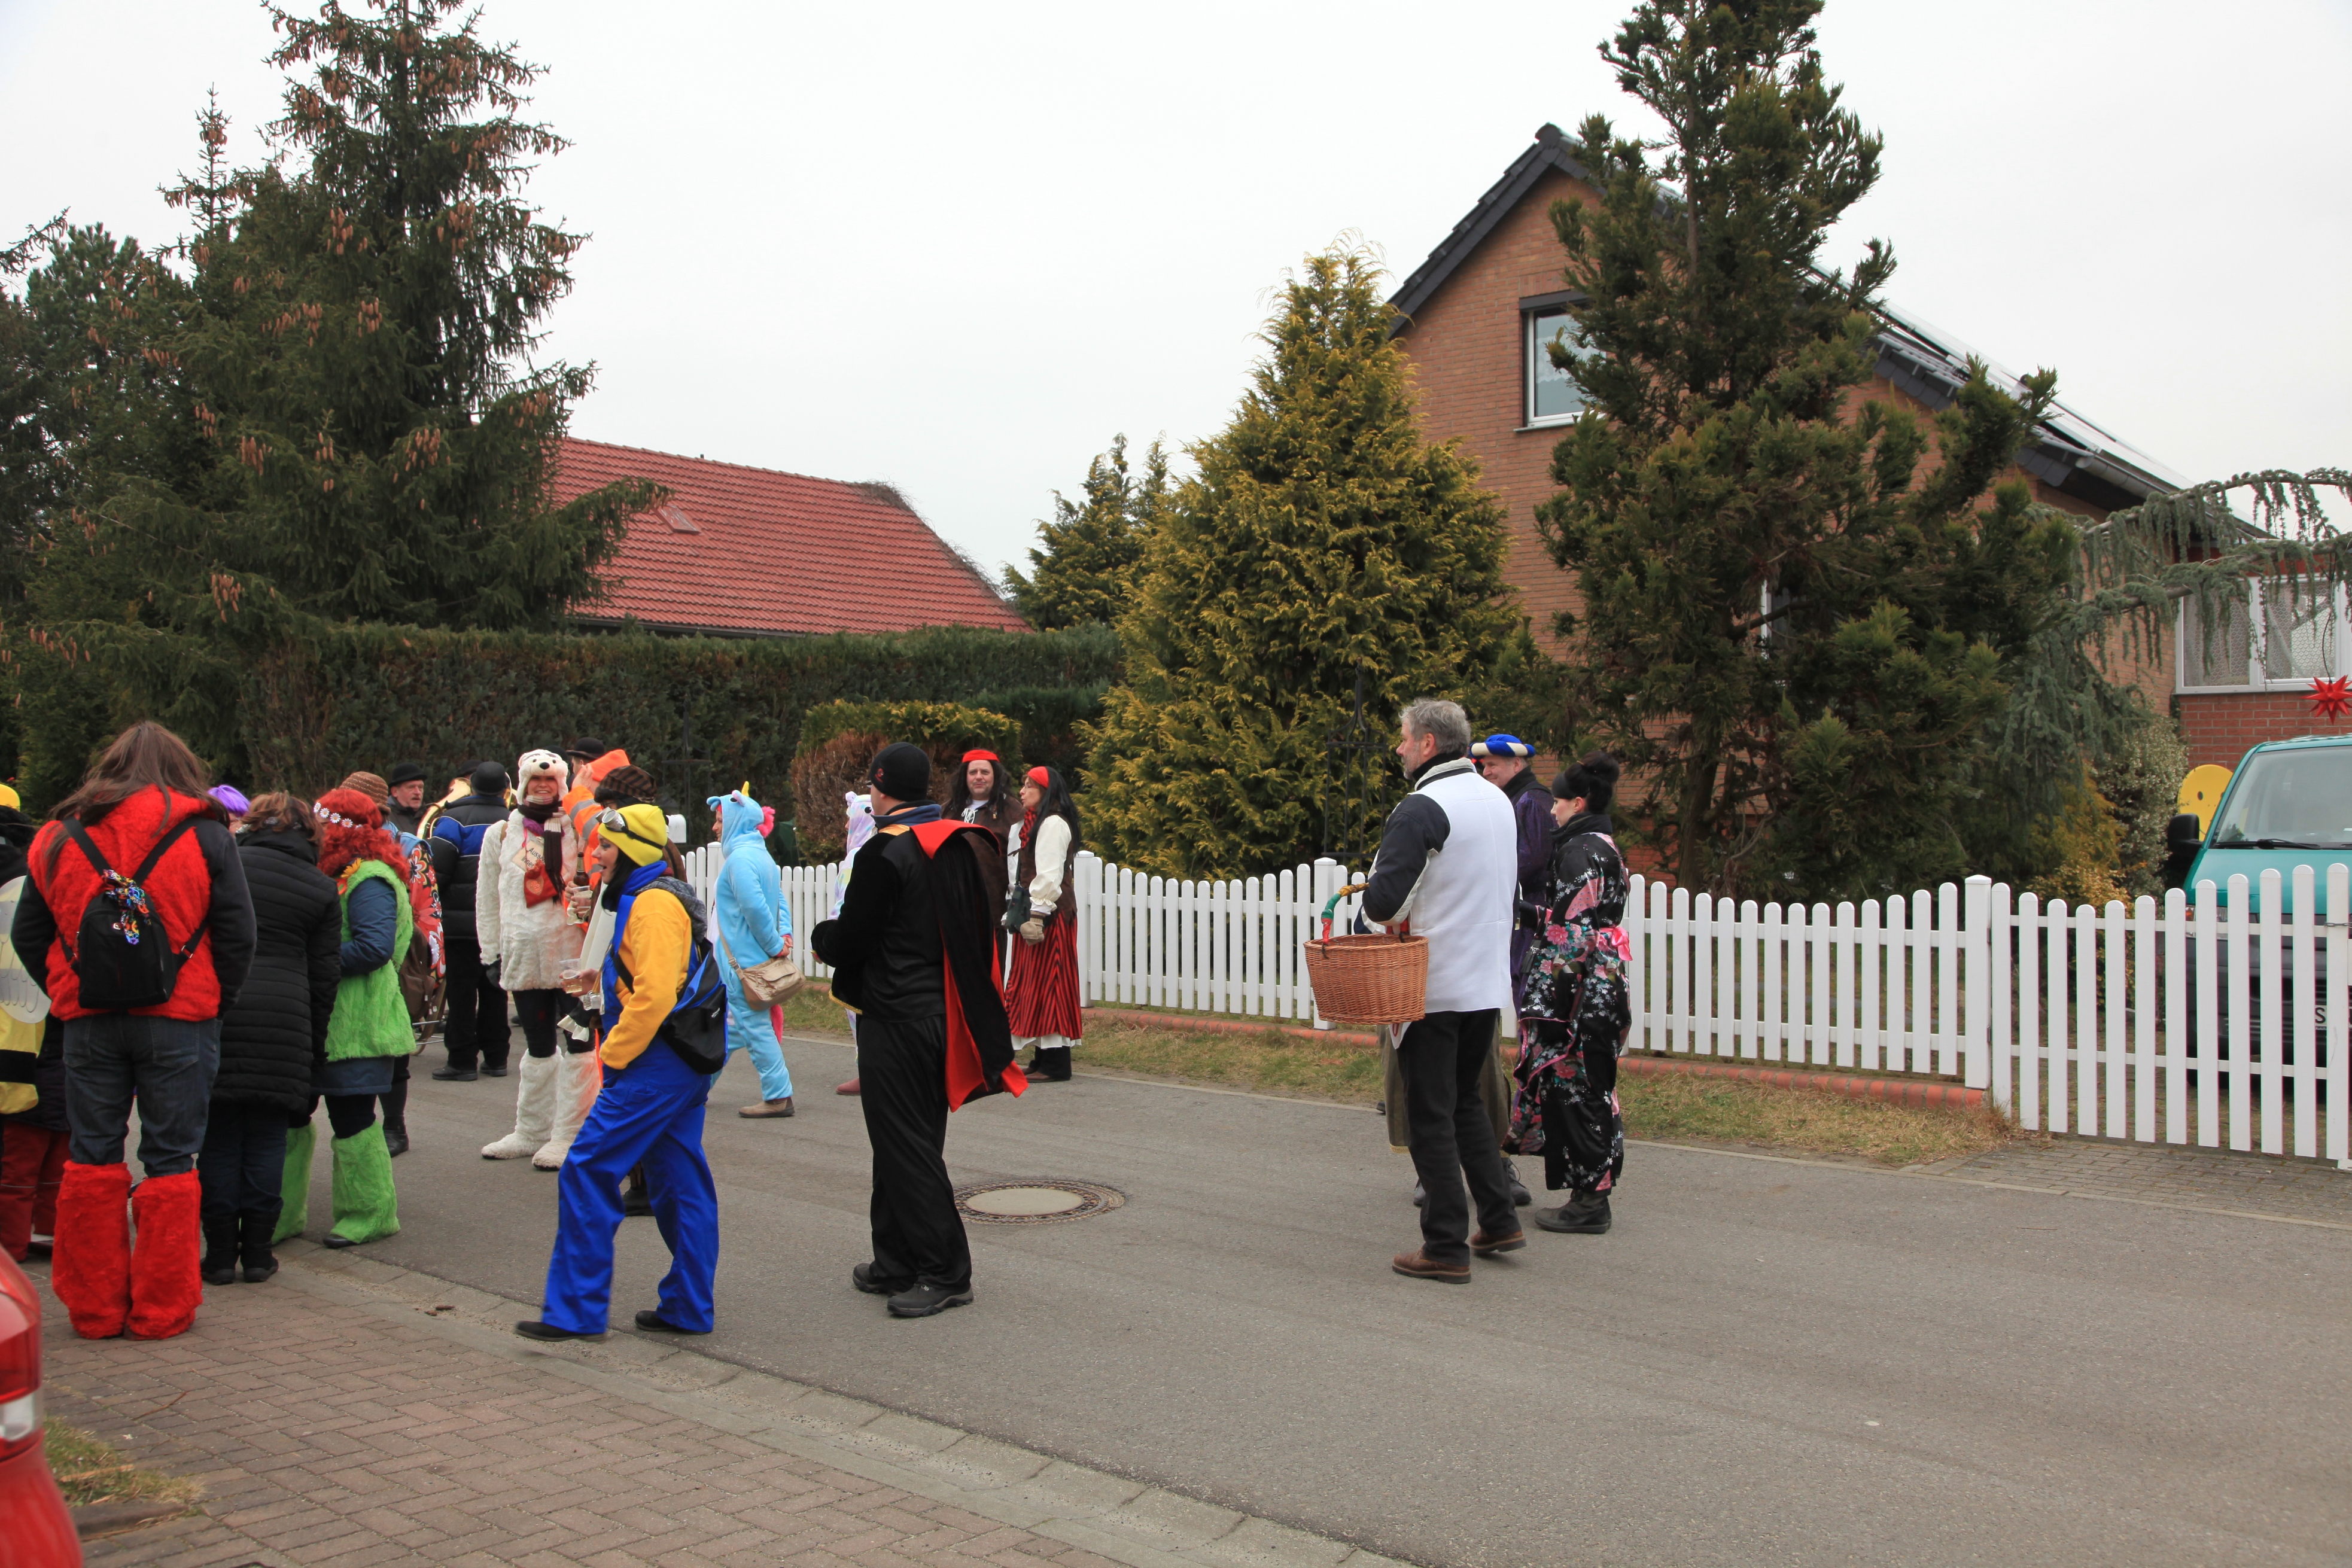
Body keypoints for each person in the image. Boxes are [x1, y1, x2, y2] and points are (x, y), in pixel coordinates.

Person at [11, 720, 255, 1339]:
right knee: (171, 1157)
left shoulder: (57, 836)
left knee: (91, 1153)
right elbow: (238, 933)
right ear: (182, 769)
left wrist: (67, 989)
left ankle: (93, 1306)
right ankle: (162, 1305)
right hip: (180, 1018)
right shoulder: (206, 833)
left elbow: (28, 933)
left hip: (89, 1019)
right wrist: (213, 1000)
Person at [811, 743, 1023, 1319]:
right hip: (941, 1010)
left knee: (904, 1147)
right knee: (906, 1141)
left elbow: (852, 939)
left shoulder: (884, 850)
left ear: (880, 789)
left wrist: (821, 937)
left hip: (895, 1015)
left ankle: (945, 1271)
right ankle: (895, 1259)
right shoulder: (956, 840)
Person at [517, 802, 723, 1341]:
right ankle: (688, 1306)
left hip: (654, 1064)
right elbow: (658, 975)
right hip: (677, 1063)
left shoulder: (651, 904)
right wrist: (603, 980)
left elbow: (655, 996)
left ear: (630, 850)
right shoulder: (651, 896)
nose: (597, 856)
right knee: (679, 1183)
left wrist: (612, 1055)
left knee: (586, 1169)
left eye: (606, 846)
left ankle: (574, 1312)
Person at [1358, 699, 1520, 1284]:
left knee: (1428, 1111)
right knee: (1464, 1100)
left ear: (1428, 743)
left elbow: (1384, 903)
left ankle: (1445, 1244)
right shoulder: (1497, 798)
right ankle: (1497, 1218)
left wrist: (1363, 915)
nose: (1399, 747)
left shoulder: (1422, 807)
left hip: (1430, 982)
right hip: (1484, 981)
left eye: (1404, 738)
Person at [201, 793, 339, 1284]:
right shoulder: (321, 887)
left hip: (221, 1009)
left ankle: (219, 1255)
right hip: (287, 1018)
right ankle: (258, 1253)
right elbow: (324, 979)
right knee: (266, 1139)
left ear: (254, 824)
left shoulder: (222, 867)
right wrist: (314, 1052)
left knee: (218, 1138)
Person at [276, 789, 410, 1250]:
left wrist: (303, 956)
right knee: (292, 1115)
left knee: (352, 1118)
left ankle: (369, 1212)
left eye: (322, 824)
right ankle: (279, 1212)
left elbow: (374, 948)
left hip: (356, 1025)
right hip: (314, 1020)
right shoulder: (329, 873)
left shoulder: (369, 877)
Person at [1512, 753, 1631, 1236]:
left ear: (1577, 802)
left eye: (1558, 802)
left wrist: (1553, 1007)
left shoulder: (1577, 851)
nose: (1551, 810)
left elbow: (1571, 936)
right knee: (1595, 1084)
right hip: (1603, 980)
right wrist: (1526, 912)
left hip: (1579, 989)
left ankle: (1590, 1201)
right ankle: (1591, 1193)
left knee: (1578, 1086)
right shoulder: (1604, 845)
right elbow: (1581, 921)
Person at [478, 751, 591, 1168]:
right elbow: (487, 896)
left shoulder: (578, 829)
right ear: (523, 784)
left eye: (551, 782)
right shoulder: (501, 833)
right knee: (538, 1046)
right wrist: (490, 951)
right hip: (524, 956)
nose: (543, 788)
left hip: (573, 957)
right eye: (536, 781)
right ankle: (531, 1130)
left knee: (579, 1042)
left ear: (562, 785)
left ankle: (571, 1133)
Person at [338, 770, 417, 1151]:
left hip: (396, 954)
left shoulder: (406, 844)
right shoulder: (334, 850)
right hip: (367, 955)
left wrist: (426, 959)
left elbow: (426, 900)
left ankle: (394, 1126)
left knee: (390, 1048)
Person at [711, 789, 796, 1119]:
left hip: (743, 963)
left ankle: (778, 1097)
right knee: (733, 1030)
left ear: (737, 821)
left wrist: (776, 943)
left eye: (721, 821)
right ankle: (694, 1089)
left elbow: (755, 908)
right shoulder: (761, 856)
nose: (716, 828)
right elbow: (779, 901)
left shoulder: (740, 860)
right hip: (753, 960)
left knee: (754, 1028)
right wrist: (783, 936)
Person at [428, 762, 512, 1079]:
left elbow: (438, 872)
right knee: (495, 990)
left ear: (473, 786)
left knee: (461, 993)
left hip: (460, 925)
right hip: (500, 923)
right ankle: (497, 1057)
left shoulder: (452, 820)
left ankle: (462, 1061)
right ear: (505, 790)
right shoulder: (514, 821)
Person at [1005, 766, 1082, 1082]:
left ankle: (1056, 1065)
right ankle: (1042, 1058)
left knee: (1051, 983)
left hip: (1050, 916)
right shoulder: (1036, 822)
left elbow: (1049, 873)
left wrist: (1037, 915)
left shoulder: (1053, 823)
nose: (1022, 792)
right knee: (1036, 983)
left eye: (1029, 786)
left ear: (1046, 792)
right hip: (1038, 912)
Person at [383, 763, 428, 839]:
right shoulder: (384, 818)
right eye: (411, 787)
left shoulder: (431, 817)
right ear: (395, 792)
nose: (417, 792)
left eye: (420, 787)